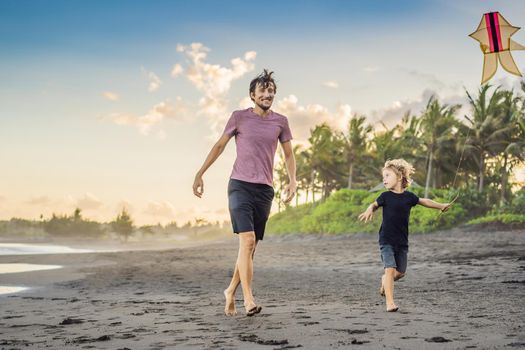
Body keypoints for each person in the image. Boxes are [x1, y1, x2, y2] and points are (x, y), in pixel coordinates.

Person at [192, 69, 297, 316]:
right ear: (252, 95)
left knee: (250, 249)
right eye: (263, 90)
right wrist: (200, 173)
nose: (268, 94)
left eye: (271, 90)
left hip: (264, 190)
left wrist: (293, 180)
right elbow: (219, 145)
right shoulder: (239, 117)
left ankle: (230, 291)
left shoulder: (280, 121)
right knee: (247, 241)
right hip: (239, 185)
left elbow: (289, 154)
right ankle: (248, 299)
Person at [358, 159, 450, 312]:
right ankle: (390, 303)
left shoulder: (409, 197)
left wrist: (441, 206)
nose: (384, 179)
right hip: (386, 240)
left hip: (402, 242)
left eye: (387, 176)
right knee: (390, 268)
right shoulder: (385, 196)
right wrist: (369, 210)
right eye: (383, 176)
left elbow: (424, 201)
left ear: (399, 176)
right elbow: (374, 205)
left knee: (400, 273)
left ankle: (385, 282)